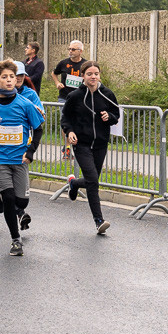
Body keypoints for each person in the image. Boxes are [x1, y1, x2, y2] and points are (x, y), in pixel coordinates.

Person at [0, 59, 44, 256]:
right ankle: (15, 240)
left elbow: (38, 129)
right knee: (9, 198)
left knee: (21, 202)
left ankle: (0, 196)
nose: (9, 80)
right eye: (5, 77)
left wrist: (30, 152)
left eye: (12, 77)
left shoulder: (25, 104)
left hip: (20, 159)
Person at [61, 60, 120, 236]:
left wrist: (109, 116)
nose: (93, 77)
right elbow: (65, 118)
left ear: (99, 75)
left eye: (96, 74)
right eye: (89, 74)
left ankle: (73, 183)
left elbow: (116, 115)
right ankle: (99, 221)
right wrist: (69, 131)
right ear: (83, 76)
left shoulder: (107, 94)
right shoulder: (75, 96)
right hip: (81, 143)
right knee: (93, 180)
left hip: (100, 143)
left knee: (92, 180)